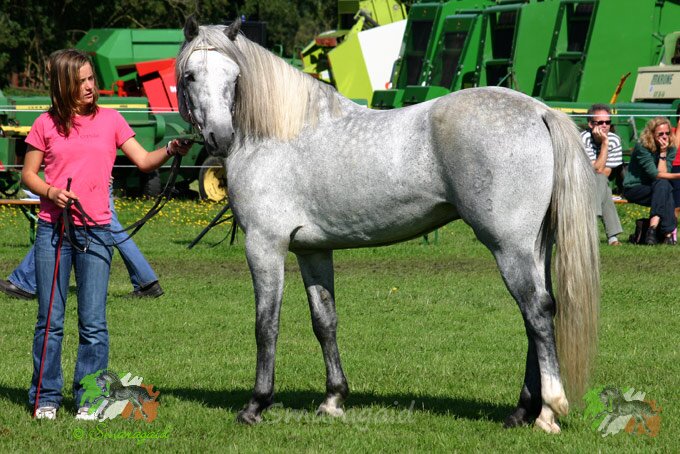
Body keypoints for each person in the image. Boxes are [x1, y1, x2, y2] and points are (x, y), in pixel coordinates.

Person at [21, 49, 191, 420]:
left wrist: (170, 149)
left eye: (91, 79)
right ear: (64, 84)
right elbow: (28, 175)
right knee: (50, 322)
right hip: (54, 231)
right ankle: (46, 397)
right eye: (80, 81)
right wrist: (51, 192)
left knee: (94, 324)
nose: (89, 86)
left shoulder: (111, 119)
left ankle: (89, 398)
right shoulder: (45, 124)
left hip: (97, 232)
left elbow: (143, 161)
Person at [0, 185, 163, 300]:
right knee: (108, 227)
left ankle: (24, 282)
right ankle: (146, 282)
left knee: (59, 224)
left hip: (87, 180)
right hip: (94, 178)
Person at [623, 116, 680, 245]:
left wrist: (663, 152)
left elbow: (663, 174)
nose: (664, 137)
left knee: (663, 186)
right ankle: (668, 234)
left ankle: (652, 231)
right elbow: (656, 174)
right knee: (665, 190)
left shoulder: (670, 147)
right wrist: (678, 176)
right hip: (635, 187)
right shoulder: (642, 147)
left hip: (657, 187)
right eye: (660, 134)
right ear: (652, 134)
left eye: (667, 133)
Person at [580, 104, 624, 246]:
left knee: (601, 181)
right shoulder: (583, 139)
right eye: (600, 122)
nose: (605, 125)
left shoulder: (614, 140)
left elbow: (605, 172)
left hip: (599, 182)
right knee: (602, 183)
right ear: (590, 124)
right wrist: (605, 144)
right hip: (579, 181)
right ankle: (612, 237)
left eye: (608, 122)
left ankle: (591, 222)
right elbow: (595, 170)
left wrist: (605, 142)